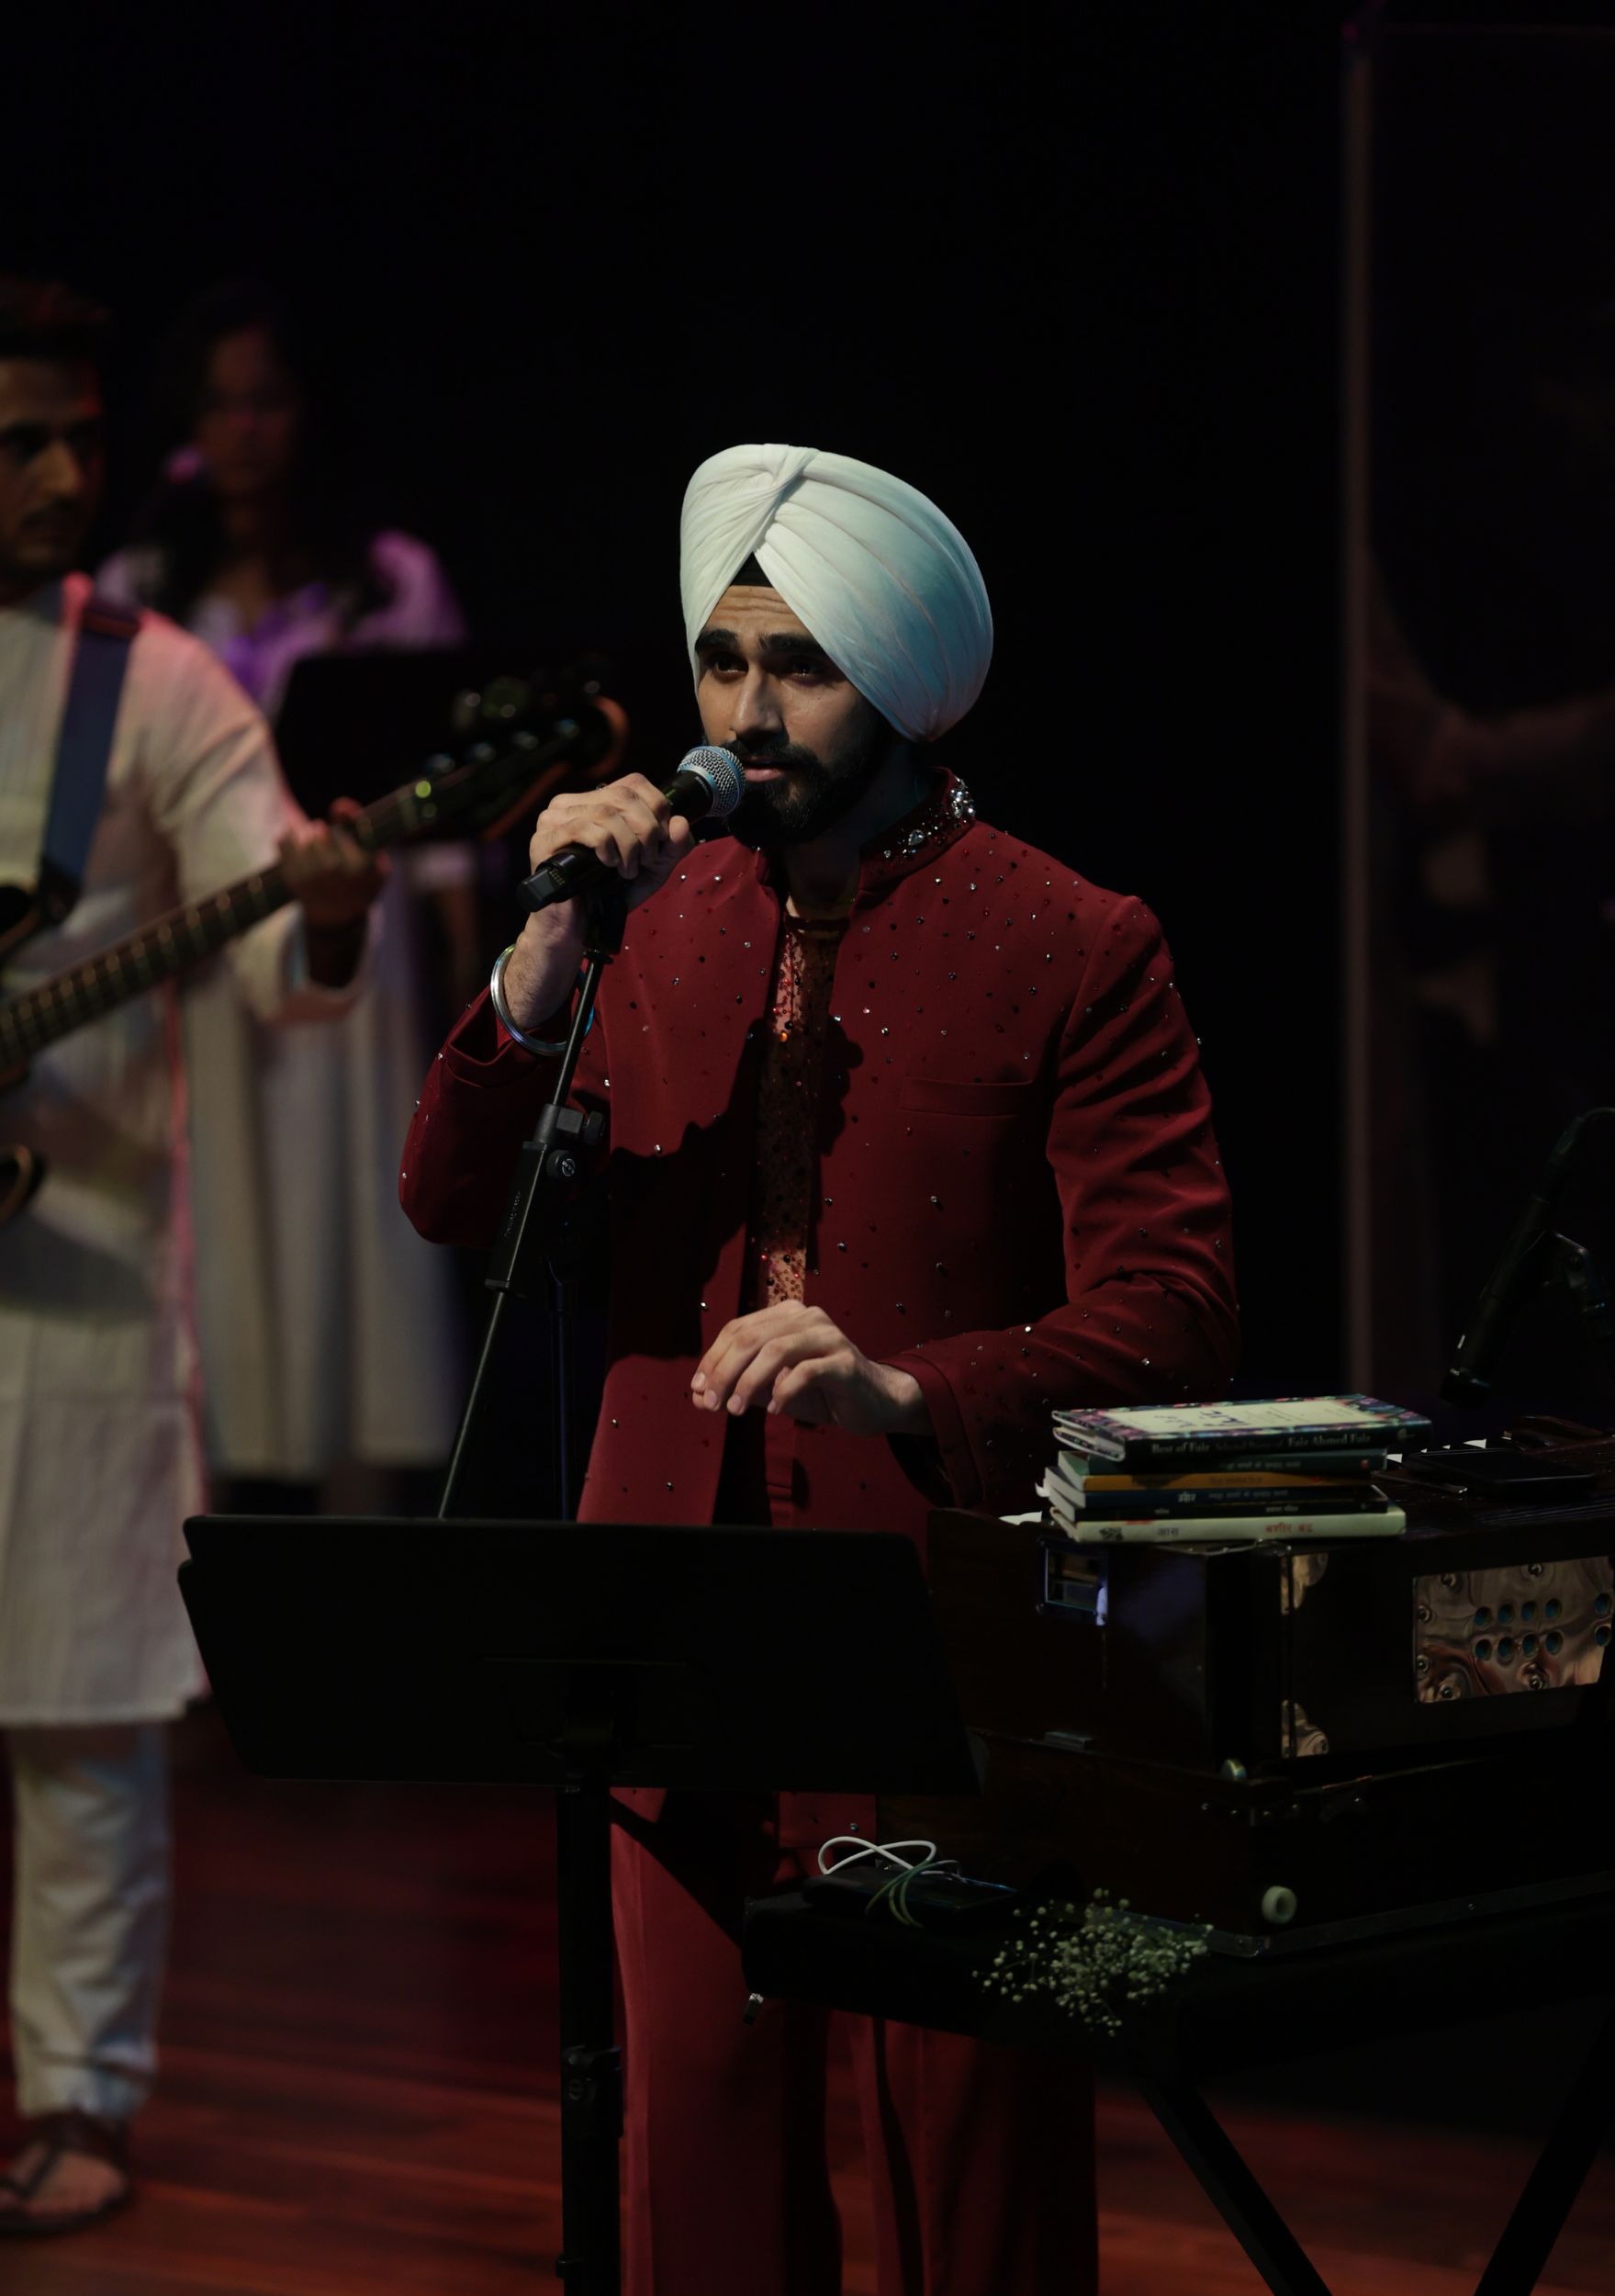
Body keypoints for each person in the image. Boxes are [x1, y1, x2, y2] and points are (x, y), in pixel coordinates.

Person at [400, 441, 1239, 2295]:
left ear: (905, 684)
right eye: (722, 662)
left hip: (942, 1627)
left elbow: (1176, 1307)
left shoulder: (1072, 938)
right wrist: (539, 954)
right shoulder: (642, 925)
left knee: (969, 2157)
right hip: (665, 1620)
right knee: (694, 2142)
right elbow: (449, 1200)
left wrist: (909, 1390)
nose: (749, 715)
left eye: (802, 667)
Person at [0, 278, 384, 2234]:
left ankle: (79, 2090)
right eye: (20, 443)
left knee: (78, 1707)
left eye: (79, 435)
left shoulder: (148, 684)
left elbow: (271, 945)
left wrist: (327, 911)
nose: (65, 475)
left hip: (77, 1269)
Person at [98, 282, 469, 1508]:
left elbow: (450, 832)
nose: (245, 429)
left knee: (352, 1234)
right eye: (220, 405)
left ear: (307, 413)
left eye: (266, 400)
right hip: (200, 960)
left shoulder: (388, 581)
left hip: (360, 954)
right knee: (223, 1233)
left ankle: (363, 1551)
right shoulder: (139, 586)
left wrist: (468, 992)